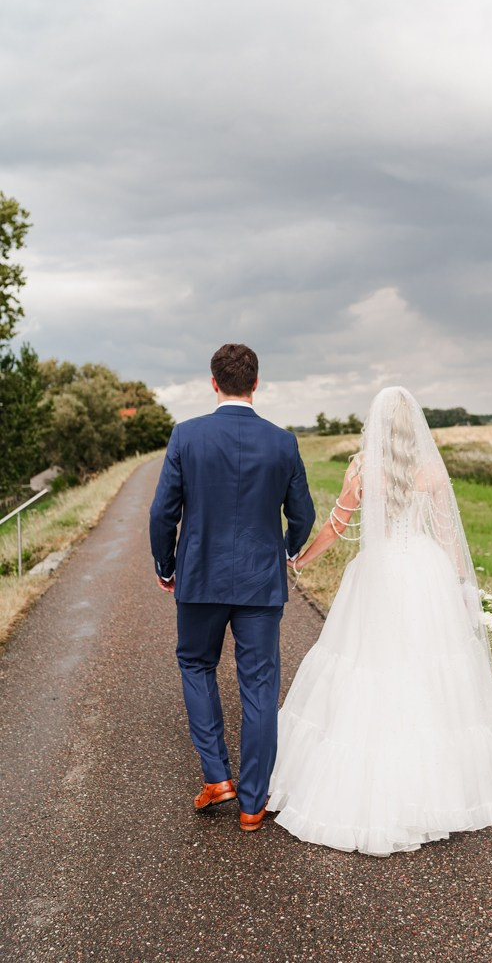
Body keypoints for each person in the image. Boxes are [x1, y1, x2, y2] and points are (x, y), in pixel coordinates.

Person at [267, 386, 492, 855]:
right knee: (431, 666)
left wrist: (300, 560)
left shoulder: (360, 468)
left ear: (376, 425)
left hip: (380, 572)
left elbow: (336, 526)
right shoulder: (430, 469)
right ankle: (444, 785)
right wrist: (460, 586)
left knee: (369, 661)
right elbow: (449, 534)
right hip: (425, 570)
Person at [149, 344, 315, 832]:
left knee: (197, 664)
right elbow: (301, 514)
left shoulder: (187, 436)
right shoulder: (282, 442)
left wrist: (165, 564)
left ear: (214, 382)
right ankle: (251, 803)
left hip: (199, 577)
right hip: (261, 583)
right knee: (260, 685)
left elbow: (163, 512)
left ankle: (217, 776)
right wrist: (285, 550)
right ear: (256, 383)